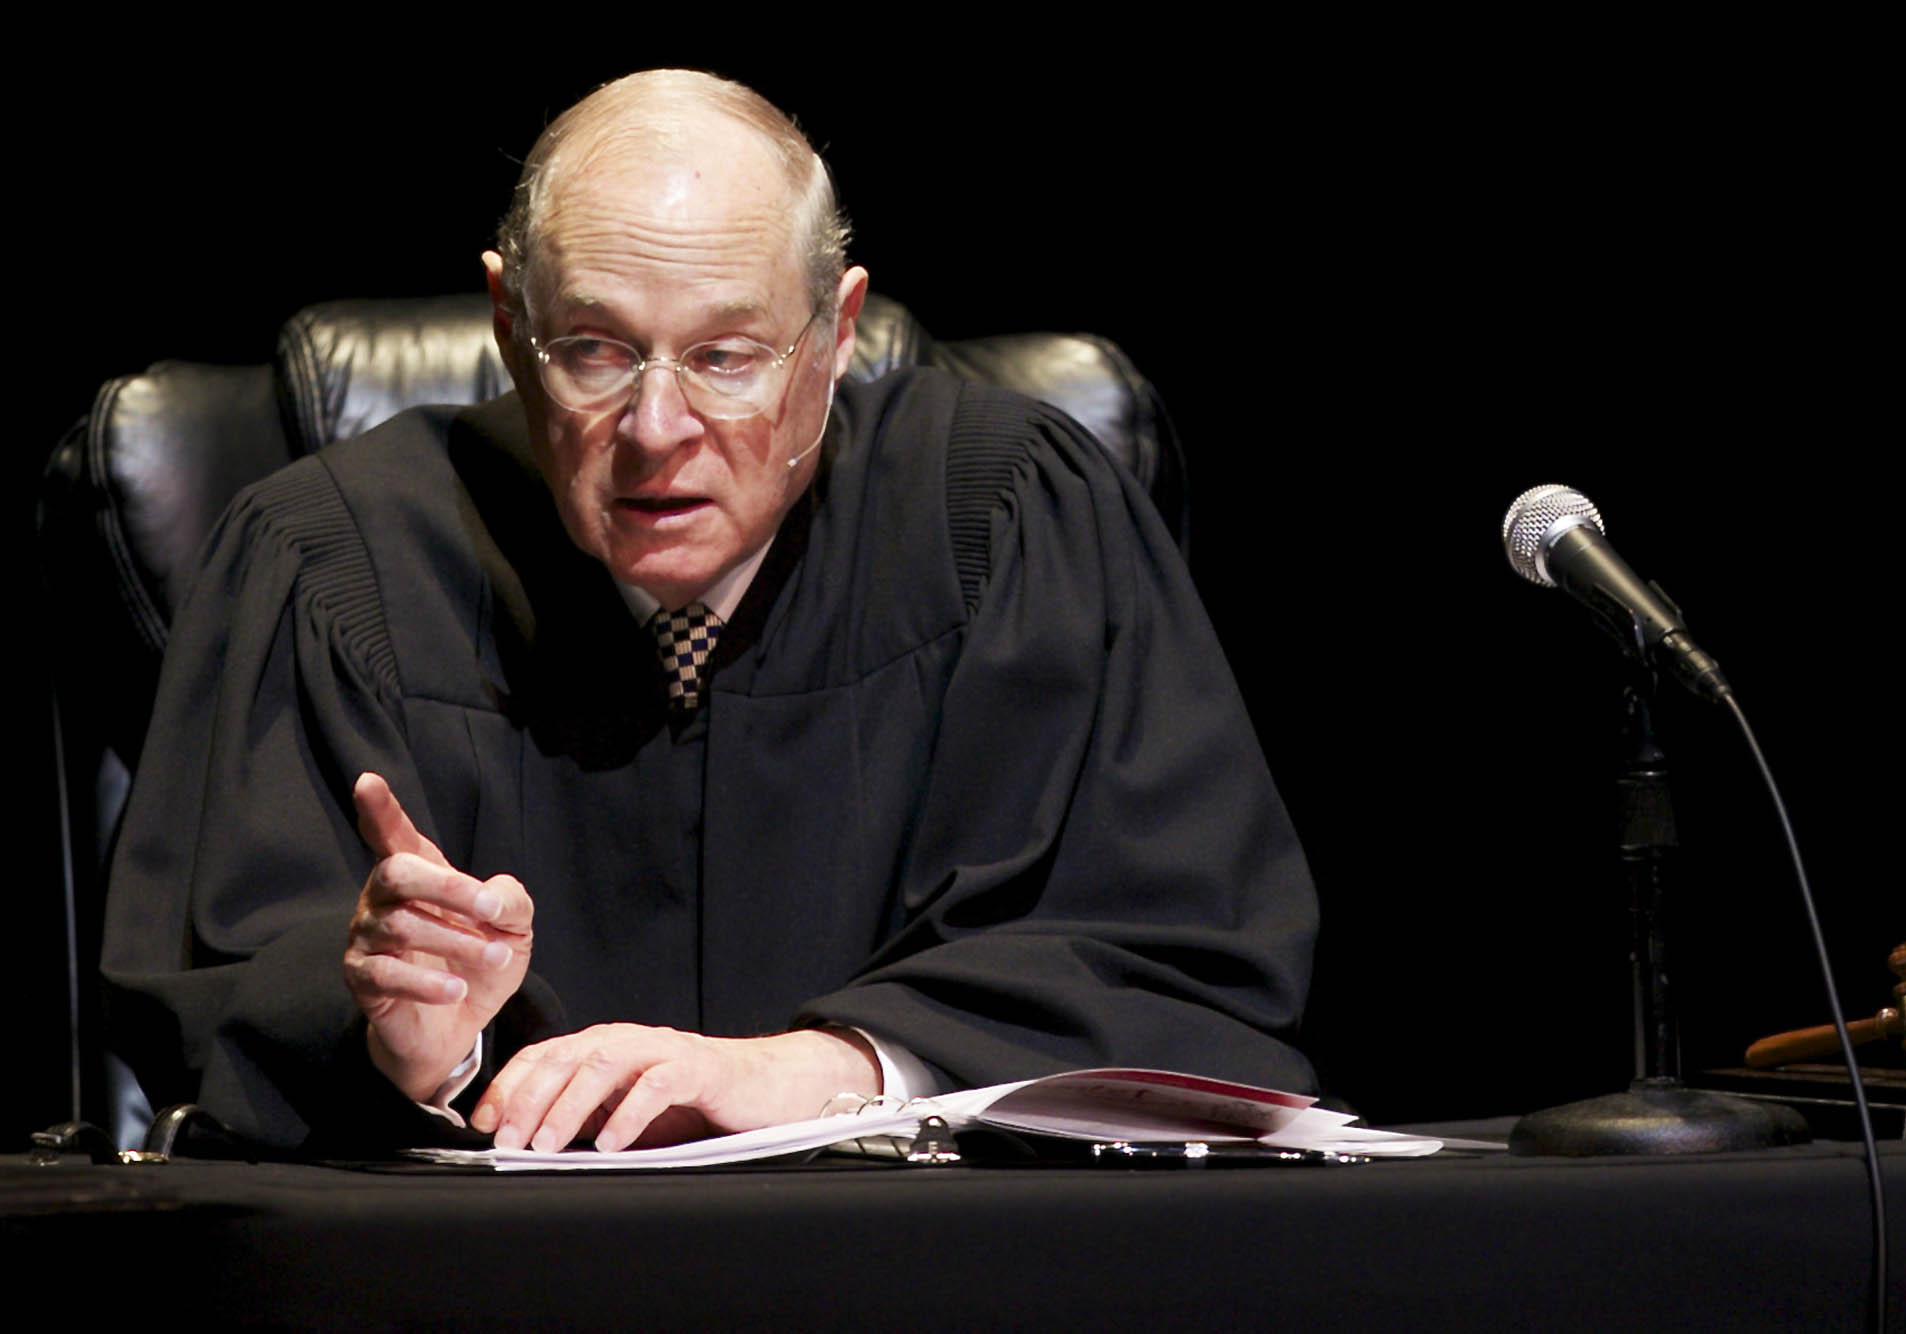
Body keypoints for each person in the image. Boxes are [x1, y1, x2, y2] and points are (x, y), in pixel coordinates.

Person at [101, 70, 1319, 1153]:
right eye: (593, 349)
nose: (656, 428)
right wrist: (412, 1043)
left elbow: (1181, 967)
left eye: (727, 356)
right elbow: (214, 1004)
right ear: (509, 327)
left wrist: (825, 1070)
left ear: (835, 334)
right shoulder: (328, 565)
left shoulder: (1009, 527)